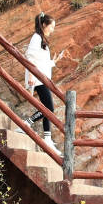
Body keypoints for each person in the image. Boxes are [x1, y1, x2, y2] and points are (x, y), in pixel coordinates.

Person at [24, 12, 65, 153]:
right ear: (43, 25)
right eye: (51, 27)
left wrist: (55, 61)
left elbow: (42, 62)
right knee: (49, 109)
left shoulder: (41, 39)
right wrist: (30, 75)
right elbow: (30, 57)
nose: (52, 30)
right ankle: (27, 124)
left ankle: (46, 138)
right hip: (37, 78)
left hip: (43, 78)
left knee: (48, 109)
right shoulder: (36, 38)